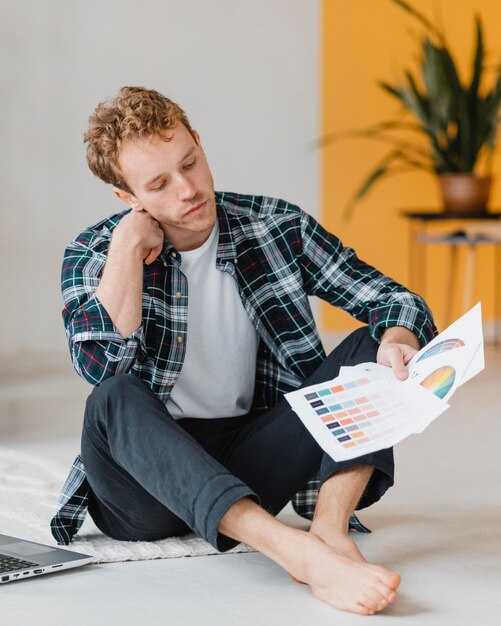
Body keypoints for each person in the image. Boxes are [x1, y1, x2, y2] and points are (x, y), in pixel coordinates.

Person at [51, 86, 436, 615]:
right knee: (113, 397)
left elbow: (393, 300)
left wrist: (398, 337)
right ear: (127, 197)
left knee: (374, 341)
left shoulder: (275, 225)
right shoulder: (93, 252)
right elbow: (100, 367)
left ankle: (326, 531)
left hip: (252, 457)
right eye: (159, 184)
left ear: (201, 145)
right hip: (146, 489)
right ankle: (291, 550)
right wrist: (126, 248)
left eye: (191, 163)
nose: (188, 190)